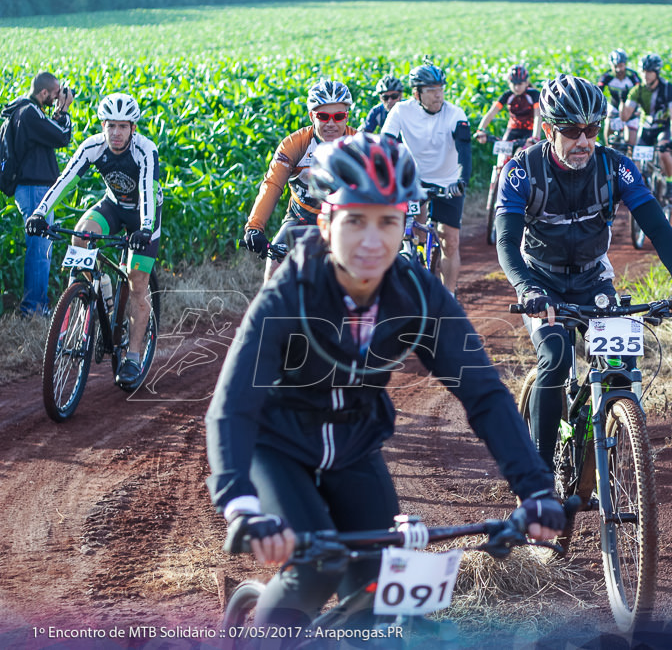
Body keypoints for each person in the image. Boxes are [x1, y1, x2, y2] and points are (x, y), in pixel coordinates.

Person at [205, 132, 565, 630]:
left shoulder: (416, 293)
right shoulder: (292, 289)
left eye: (388, 221)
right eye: (355, 220)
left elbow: (483, 394)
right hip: (280, 447)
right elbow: (234, 403)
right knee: (314, 568)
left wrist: (535, 489)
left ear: (406, 224)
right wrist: (240, 505)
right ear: (326, 221)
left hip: (355, 446)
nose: (372, 241)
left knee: (379, 591)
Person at [493, 74, 672, 470]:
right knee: (555, 358)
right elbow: (506, 243)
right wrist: (526, 289)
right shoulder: (522, 171)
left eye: (592, 129)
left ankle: (611, 453)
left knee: (619, 366)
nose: (584, 141)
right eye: (572, 131)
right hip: (542, 280)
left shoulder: (614, 168)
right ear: (547, 129)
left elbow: (656, 226)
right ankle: (538, 483)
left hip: (593, 279)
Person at [25, 93, 159, 389]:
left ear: (133, 128)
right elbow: (65, 179)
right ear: (103, 125)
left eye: (123, 126)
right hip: (112, 206)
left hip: (143, 216)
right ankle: (93, 297)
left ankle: (133, 356)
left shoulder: (145, 151)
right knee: (81, 232)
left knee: (137, 282)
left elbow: (148, 190)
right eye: (110, 126)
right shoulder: (94, 147)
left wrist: (146, 228)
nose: (116, 133)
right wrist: (40, 212)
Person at [243, 78, 357, 282]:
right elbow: (272, 185)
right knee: (274, 270)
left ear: (346, 117)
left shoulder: (360, 144)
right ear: (312, 115)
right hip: (301, 218)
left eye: (338, 116)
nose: (331, 123)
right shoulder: (294, 144)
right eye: (323, 116)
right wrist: (254, 227)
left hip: (346, 221)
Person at [382, 60, 472, 295]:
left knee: (449, 241)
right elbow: (386, 144)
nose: (438, 96)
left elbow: (465, 151)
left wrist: (462, 181)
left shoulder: (455, 114)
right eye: (431, 91)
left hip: (449, 181)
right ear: (416, 93)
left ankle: (449, 296)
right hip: (415, 180)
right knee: (408, 230)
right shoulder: (401, 111)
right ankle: (413, 255)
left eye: (441, 89)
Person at [3, 72, 74, 318]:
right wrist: (64, 109)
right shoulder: (30, 113)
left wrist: (57, 112)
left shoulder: (26, 111)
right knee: (40, 252)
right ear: (43, 93)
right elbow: (62, 136)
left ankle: (35, 307)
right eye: (54, 95)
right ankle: (34, 310)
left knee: (40, 250)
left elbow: (51, 133)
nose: (56, 99)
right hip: (35, 190)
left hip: (34, 189)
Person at [620, 54, 672, 201]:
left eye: (649, 72)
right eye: (643, 71)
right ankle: (637, 190)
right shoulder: (637, 90)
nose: (645, 75)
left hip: (663, 128)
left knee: (663, 153)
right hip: (646, 128)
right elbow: (624, 117)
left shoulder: (668, 89)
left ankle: (671, 181)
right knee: (636, 161)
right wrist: (623, 100)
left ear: (657, 73)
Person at [474, 64, 542, 144]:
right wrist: (480, 130)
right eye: (514, 84)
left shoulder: (534, 94)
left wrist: (535, 137)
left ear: (526, 83)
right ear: (509, 83)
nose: (517, 88)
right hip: (512, 130)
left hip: (529, 131)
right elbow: (491, 112)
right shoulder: (507, 95)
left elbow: (538, 116)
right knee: (502, 154)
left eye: (520, 84)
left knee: (520, 152)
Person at [596, 49, 642, 146]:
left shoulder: (632, 76)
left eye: (620, 66)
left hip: (630, 108)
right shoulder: (607, 76)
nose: (618, 70)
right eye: (615, 66)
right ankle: (608, 147)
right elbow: (598, 91)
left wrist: (639, 107)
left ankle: (630, 154)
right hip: (615, 106)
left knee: (631, 145)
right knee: (609, 117)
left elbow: (641, 92)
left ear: (625, 64)